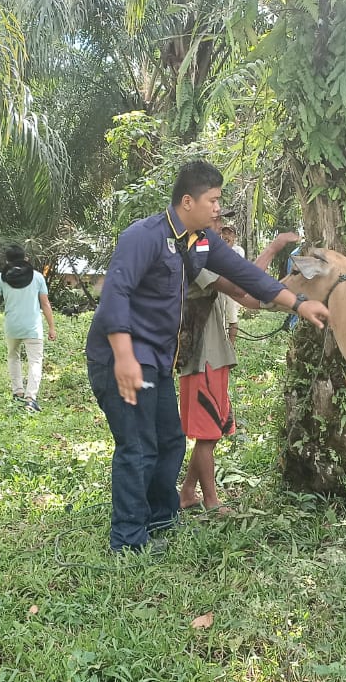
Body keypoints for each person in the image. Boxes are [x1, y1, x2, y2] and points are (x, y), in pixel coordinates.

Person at [85, 160, 329, 555]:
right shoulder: (142, 237)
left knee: (170, 441)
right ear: (187, 201)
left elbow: (250, 278)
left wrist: (299, 304)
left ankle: (162, 521)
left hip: (160, 359)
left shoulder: (200, 241)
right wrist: (124, 356)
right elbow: (116, 295)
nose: (218, 209)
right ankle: (128, 541)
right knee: (138, 446)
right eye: (213, 200)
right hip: (121, 356)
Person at [177, 224, 300, 515]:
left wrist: (295, 303)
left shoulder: (209, 263)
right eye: (217, 230)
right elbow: (244, 286)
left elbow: (251, 297)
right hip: (202, 358)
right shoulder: (194, 262)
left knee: (212, 431)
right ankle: (212, 503)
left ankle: (186, 492)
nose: (224, 237)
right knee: (208, 434)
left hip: (215, 358)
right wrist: (272, 248)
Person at [0, 246, 57, 412]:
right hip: (32, 327)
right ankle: (30, 399)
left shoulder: (1, 278)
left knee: (13, 357)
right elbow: (45, 303)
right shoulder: (37, 277)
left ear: (7, 261)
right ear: (25, 259)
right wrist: (51, 327)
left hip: (12, 326)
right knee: (35, 361)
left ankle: (18, 392)